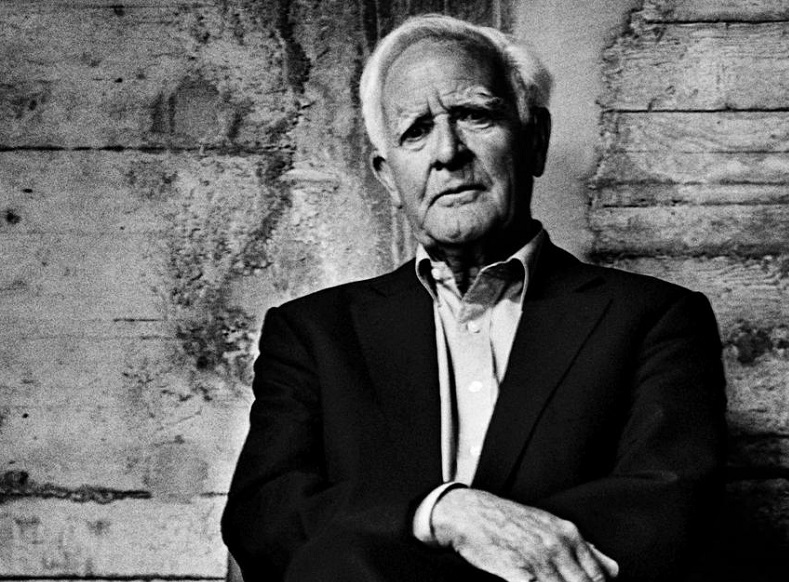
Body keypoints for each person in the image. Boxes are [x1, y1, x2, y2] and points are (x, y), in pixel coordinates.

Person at [222, 14, 727, 582]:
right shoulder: (313, 333)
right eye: (416, 130)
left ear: (535, 140)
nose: (448, 152)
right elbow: (264, 515)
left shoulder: (655, 319)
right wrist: (442, 513)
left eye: (474, 115)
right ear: (388, 177)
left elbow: (667, 512)